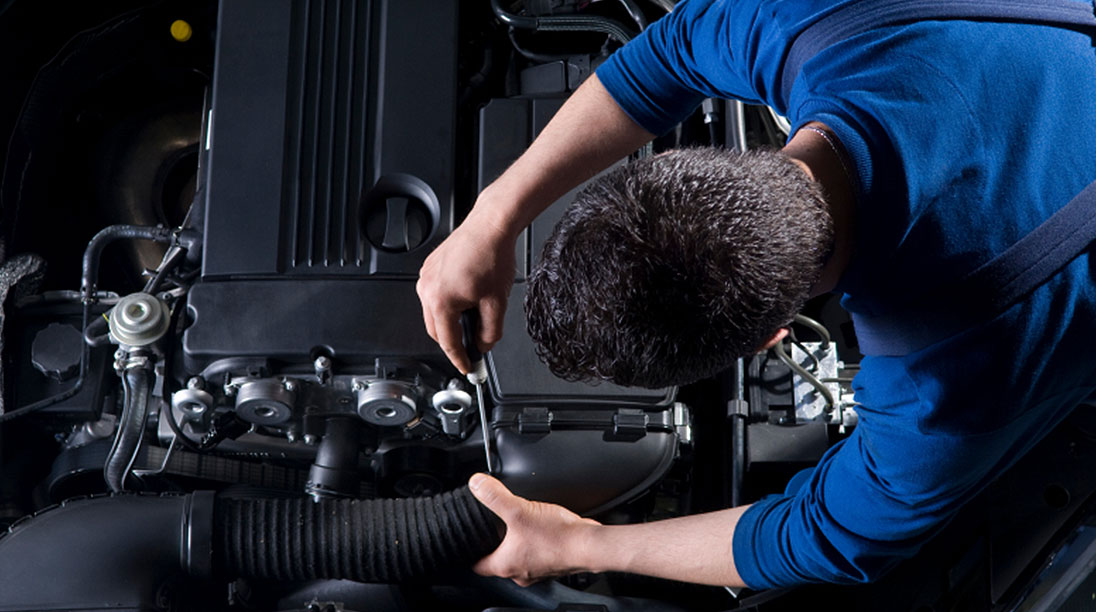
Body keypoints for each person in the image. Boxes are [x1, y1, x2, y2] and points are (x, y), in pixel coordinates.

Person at [416, 0, 1096, 590]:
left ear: (776, 336)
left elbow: (830, 536)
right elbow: (673, 49)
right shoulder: (821, 23)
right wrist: (494, 215)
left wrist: (579, 545)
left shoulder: (951, 383)